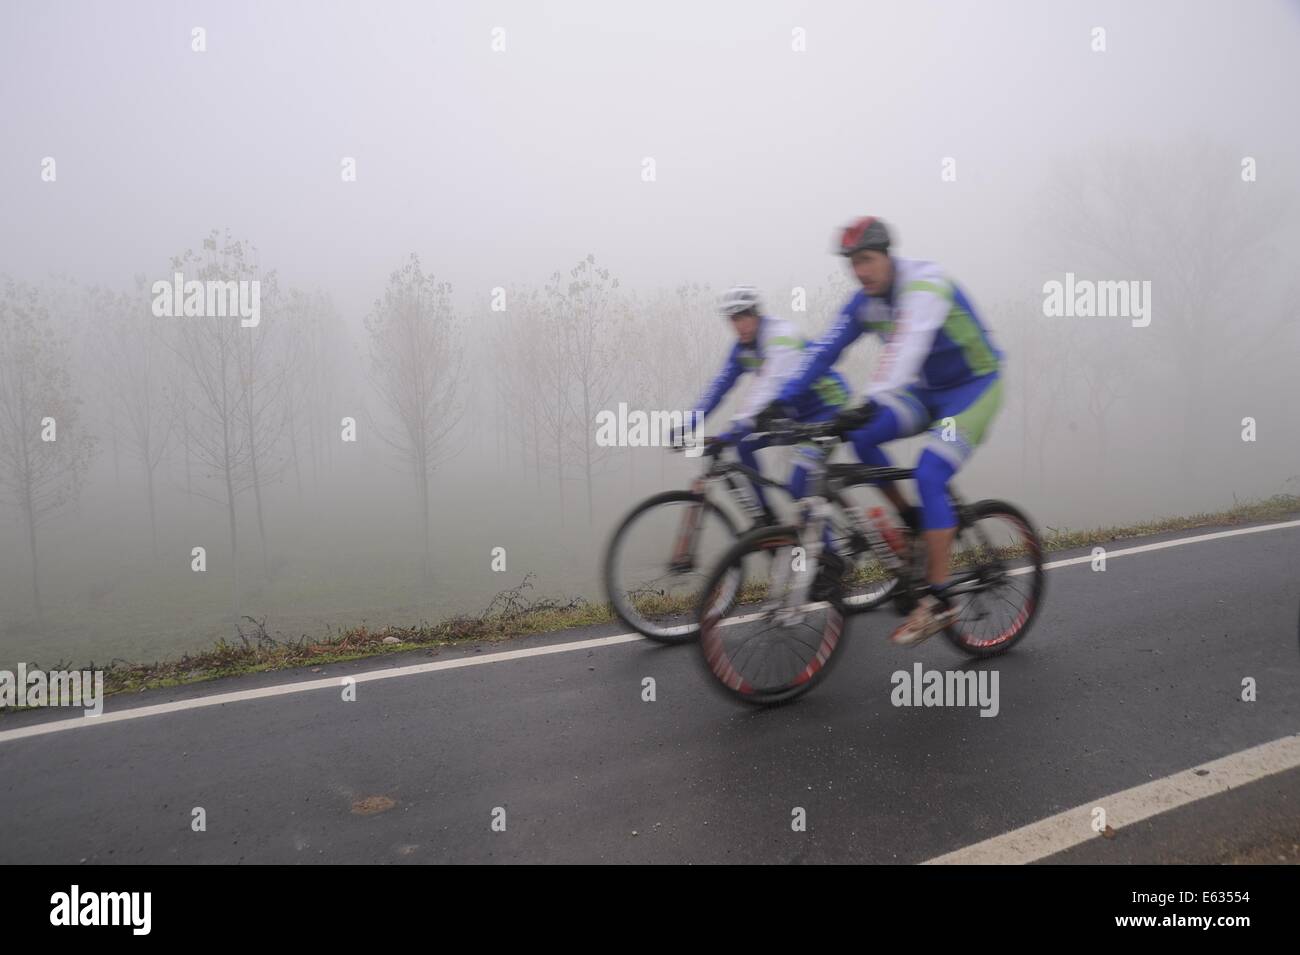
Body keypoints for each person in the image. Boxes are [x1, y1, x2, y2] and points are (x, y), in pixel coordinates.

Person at [764, 217, 1004, 646]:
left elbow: (906, 347)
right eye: (852, 263)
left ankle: (941, 597)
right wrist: (779, 402)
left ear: (888, 255)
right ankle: (911, 519)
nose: (860, 271)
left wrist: (870, 400)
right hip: (926, 392)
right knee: (862, 437)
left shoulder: (925, 285)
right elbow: (822, 351)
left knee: (930, 472)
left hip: (974, 388)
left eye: (867, 260)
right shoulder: (864, 303)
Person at [684, 285, 850, 521]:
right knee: (743, 444)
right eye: (733, 319)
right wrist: (689, 422)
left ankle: (828, 553)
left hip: (826, 409)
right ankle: (767, 518)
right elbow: (719, 386)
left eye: (743, 317)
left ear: (757, 313)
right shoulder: (742, 348)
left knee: (799, 486)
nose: (738, 325)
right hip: (794, 414)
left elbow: (768, 386)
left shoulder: (781, 336)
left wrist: (734, 427)